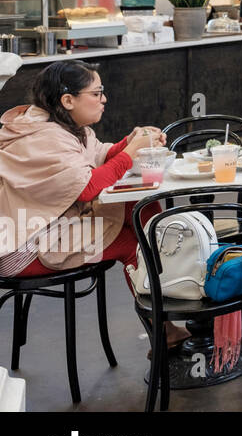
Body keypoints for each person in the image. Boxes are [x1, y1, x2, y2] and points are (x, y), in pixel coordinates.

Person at [0, 62, 165, 280]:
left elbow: (97, 156)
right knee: (132, 244)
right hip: (22, 250)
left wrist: (129, 142)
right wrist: (132, 150)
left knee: (138, 205)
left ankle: (169, 266)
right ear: (68, 101)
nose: (103, 99)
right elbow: (86, 188)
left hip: (51, 229)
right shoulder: (44, 137)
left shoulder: (61, 124)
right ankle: (170, 281)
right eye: (96, 93)